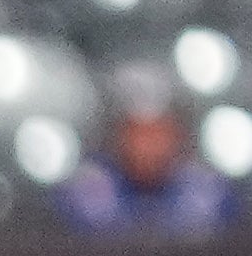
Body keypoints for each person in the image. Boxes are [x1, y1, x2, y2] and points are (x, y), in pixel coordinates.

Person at [59, 67, 233, 236]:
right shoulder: (90, 190)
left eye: (158, 133)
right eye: (137, 133)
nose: (148, 146)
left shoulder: (205, 191)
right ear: (115, 136)